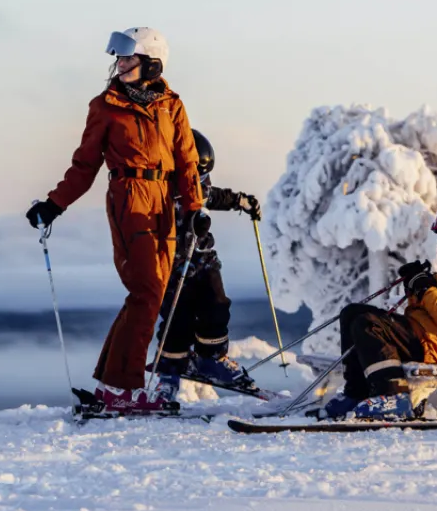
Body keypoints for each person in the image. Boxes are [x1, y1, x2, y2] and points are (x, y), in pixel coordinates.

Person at [26, 27, 205, 414]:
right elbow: (85, 164)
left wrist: (194, 209)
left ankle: (112, 386)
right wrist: (54, 204)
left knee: (151, 295)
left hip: (164, 204)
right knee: (146, 291)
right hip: (129, 197)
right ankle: (122, 391)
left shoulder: (171, 104)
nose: (120, 65)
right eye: (119, 59)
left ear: (151, 64)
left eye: (129, 59)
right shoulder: (105, 106)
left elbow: (187, 160)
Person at [318, 201, 437, 420]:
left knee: (368, 323)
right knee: (352, 312)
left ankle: (392, 395)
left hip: (436, 345)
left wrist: (426, 288)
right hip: (424, 336)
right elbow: (425, 309)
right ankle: (357, 393)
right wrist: (415, 284)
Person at [152, 129, 264, 396]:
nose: (200, 182)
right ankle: (171, 366)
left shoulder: (200, 185)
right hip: (173, 264)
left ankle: (211, 357)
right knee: (177, 317)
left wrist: (240, 201)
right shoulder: (160, 190)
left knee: (217, 304)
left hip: (203, 259)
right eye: (196, 176)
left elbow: (213, 196)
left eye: (203, 176)